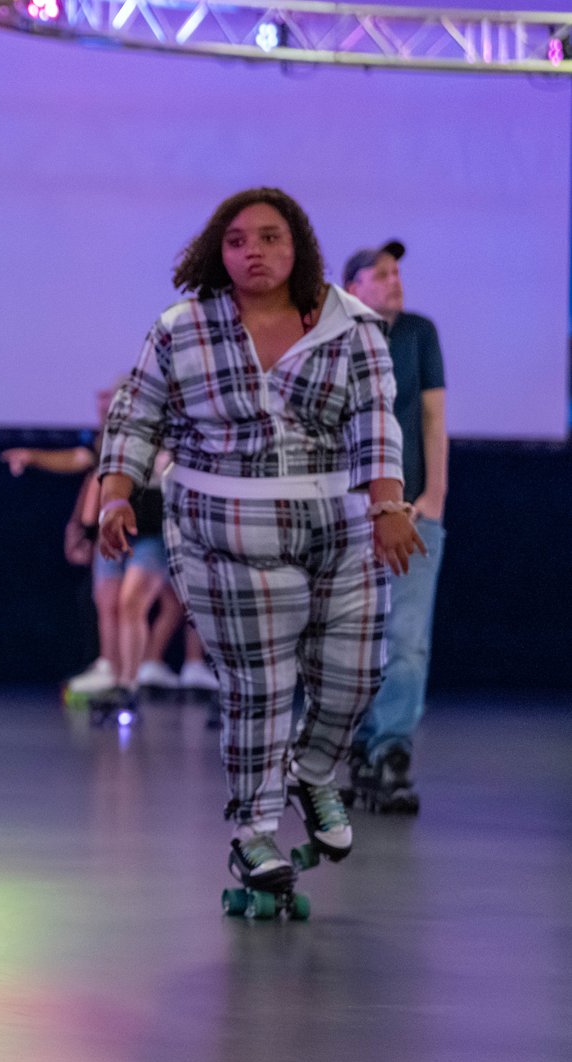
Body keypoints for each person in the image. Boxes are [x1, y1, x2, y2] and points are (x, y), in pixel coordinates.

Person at [97, 187, 421, 910]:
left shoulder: (352, 325)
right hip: (224, 524)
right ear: (219, 250)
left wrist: (390, 504)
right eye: (238, 240)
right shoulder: (183, 327)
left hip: (337, 518)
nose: (254, 252)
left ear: (298, 245)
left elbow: (377, 417)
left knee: (357, 671)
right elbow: (136, 413)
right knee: (261, 683)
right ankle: (255, 829)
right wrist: (117, 494)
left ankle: (312, 771)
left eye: (270, 238)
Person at [8, 409, 216, 702]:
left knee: (135, 601)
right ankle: (113, 671)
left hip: (155, 535)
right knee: (107, 601)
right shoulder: (112, 441)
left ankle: (131, 681)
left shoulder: (178, 442)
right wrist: (83, 527)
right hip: (114, 531)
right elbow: (89, 471)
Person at [341, 240, 445, 814]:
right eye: (381, 273)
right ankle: (355, 745)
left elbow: (434, 417)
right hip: (353, 516)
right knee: (353, 642)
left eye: (397, 270)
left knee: (407, 640)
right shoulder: (339, 335)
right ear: (353, 285)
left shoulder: (419, 333)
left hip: (413, 514)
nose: (394, 279)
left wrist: (435, 497)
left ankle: (391, 751)